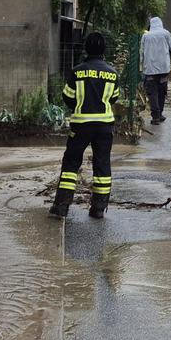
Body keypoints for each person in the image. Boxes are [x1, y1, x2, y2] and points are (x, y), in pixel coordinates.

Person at [49, 32, 120, 219]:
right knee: (102, 164)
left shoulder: (77, 71)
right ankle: (98, 208)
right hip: (105, 126)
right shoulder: (113, 73)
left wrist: (80, 106)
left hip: (81, 125)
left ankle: (61, 206)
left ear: (86, 48)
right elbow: (114, 98)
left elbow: (67, 96)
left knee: (72, 162)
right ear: (104, 50)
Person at [140, 15, 171, 125]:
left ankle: (155, 116)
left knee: (153, 93)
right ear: (160, 24)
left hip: (150, 70)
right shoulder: (165, 33)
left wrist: (141, 68)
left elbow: (141, 53)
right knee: (162, 91)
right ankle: (160, 113)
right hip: (164, 69)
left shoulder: (146, 36)